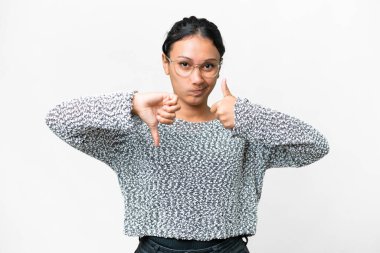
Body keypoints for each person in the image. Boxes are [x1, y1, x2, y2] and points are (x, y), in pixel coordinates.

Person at [45, 16, 329, 253]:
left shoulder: (242, 129)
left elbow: (315, 146)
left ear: (219, 68)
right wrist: (131, 104)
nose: (197, 78)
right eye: (184, 64)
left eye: (208, 66)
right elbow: (59, 119)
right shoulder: (136, 129)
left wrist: (247, 115)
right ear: (166, 63)